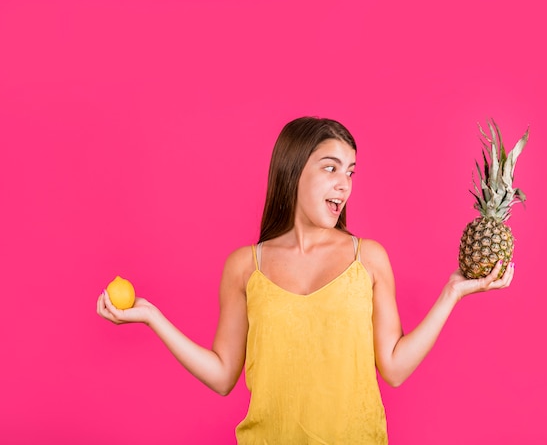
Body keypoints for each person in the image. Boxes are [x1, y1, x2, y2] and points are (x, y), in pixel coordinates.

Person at [96, 116, 514, 444]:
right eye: (330, 168)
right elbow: (223, 375)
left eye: (350, 172)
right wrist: (153, 318)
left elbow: (395, 368)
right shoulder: (245, 266)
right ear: (294, 172)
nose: (344, 184)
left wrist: (452, 292)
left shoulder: (367, 257)